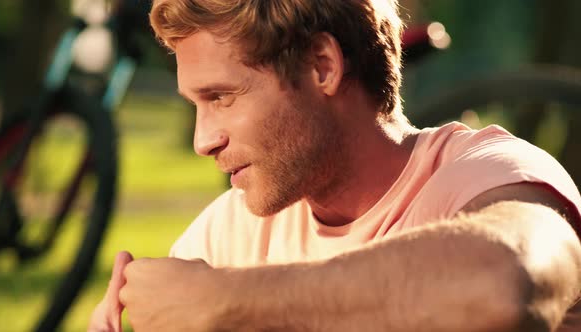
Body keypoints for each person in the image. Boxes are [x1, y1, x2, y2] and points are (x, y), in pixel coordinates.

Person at [89, 0, 581, 331]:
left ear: (322, 66)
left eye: (221, 97)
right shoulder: (229, 234)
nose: (203, 140)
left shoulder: (491, 175)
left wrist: (227, 300)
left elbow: (504, 284)